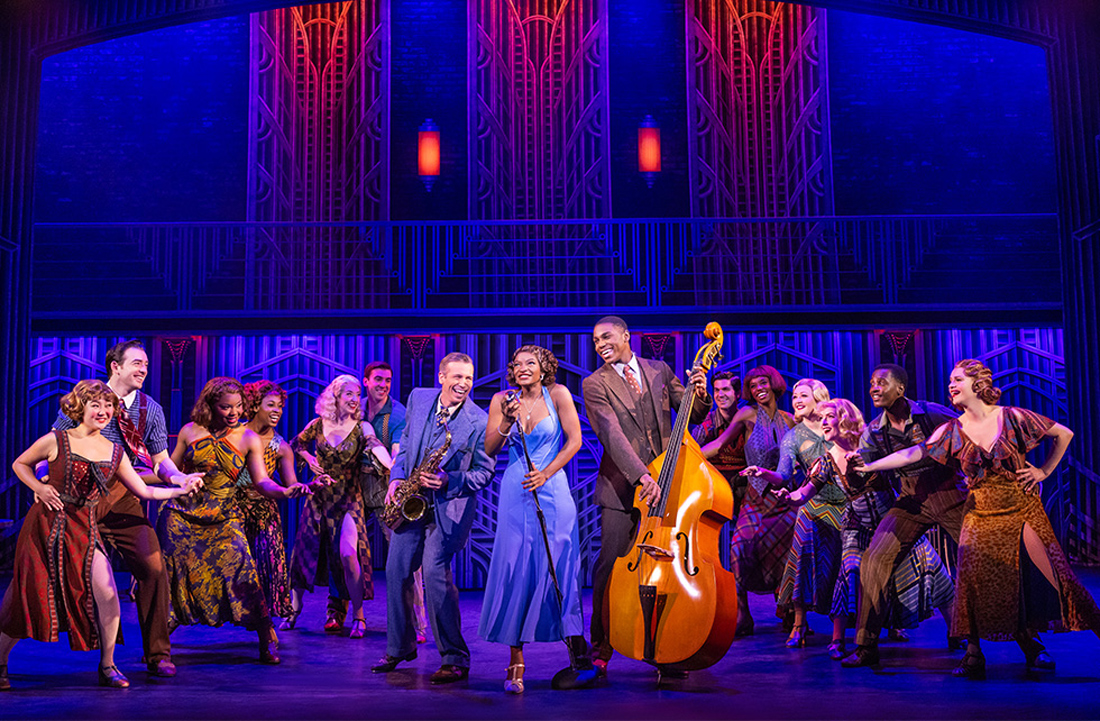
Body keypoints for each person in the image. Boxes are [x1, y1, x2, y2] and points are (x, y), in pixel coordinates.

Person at [852, 359, 1100, 678]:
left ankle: (1031, 644)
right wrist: (866, 467)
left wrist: (1042, 471)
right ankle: (874, 646)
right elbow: (912, 454)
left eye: (958, 380)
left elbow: (1058, 433)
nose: (951, 386)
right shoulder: (887, 430)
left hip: (973, 499)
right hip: (934, 503)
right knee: (891, 563)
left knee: (1018, 571)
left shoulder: (943, 414)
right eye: (950, 381)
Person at [0, 380, 201, 690]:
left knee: (107, 591)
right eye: (96, 405)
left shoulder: (114, 451)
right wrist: (39, 486)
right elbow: (20, 464)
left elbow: (144, 490)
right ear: (80, 408)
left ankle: (107, 665)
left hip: (83, 526)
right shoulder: (56, 439)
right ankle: (0, 661)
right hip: (47, 527)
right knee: (27, 596)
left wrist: (179, 488)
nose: (104, 411)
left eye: (108, 406)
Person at [43, 339, 202, 678]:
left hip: (123, 494)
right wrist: (43, 479)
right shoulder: (86, 400)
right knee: (61, 578)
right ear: (115, 366)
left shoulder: (150, 409)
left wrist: (179, 478)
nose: (144, 369)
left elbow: (160, 461)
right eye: (137, 363)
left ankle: (158, 654)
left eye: (146, 364)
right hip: (80, 496)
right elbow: (54, 444)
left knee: (153, 567)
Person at [582, 316, 710, 676]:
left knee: (665, 565)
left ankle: (665, 648)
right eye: (595, 341)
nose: (600, 345)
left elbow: (691, 414)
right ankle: (601, 647)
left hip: (669, 482)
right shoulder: (594, 383)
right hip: (622, 488)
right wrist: (641, 476)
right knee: (611, 565)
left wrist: (701, 394)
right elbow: (610, 433)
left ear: (626, 335)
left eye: (606, 337)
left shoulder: (659, 370)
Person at [779, 399, 954, 660]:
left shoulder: (872, 447)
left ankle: (956, 632)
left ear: (845, 419)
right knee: (850, 569)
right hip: (856, 523)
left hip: (891, 518)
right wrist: (789, 496)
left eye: (829, 417)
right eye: (822, 418)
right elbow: (804, 493)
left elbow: (905, 464)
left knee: (929, 563)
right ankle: (838, 640)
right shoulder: (825, 461)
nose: (823, 422)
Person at [162, 377, 308, 664]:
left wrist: (284, 491)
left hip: (224, 516)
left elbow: (262, 481)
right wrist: (132, 476)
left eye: (239, 406)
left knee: (243, 572)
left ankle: (266, 633)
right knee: (176, 576)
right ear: (210, 405)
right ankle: (160, 639)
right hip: (184, 515)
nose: (234, 412)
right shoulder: (189, 431)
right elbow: (169, 471)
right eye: (226, 407)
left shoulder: (247, 437)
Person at [372, 352, 494, 684]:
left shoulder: (479, 421)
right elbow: (406, 442)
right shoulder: (419, 398)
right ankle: (399, 647)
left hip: (448, 508)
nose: (464, 384)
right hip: (411, 501)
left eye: (468, 378)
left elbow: (484, 473)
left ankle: (454, 657)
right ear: (442, 377)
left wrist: (448, 480)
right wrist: (397, 477)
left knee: (434, 573)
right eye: (457, 377)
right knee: (396, 570)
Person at [479, 345, 589, 693]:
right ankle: (516, 660)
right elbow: (490, 448)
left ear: (544, 368)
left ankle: (577, 654)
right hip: (516, 491)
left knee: (559, 567)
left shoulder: (558, 394)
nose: (523, 368)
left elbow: (575, 441)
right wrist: (507, 420)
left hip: (552, 488)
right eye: (517, 364)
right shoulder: (501, 400)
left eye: (531, 362)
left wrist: (546, 473)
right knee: (515, 569)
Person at [841, 363, 967, 668]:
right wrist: (853, 468)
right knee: (874, 559)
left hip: (950, 493)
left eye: (881, 382)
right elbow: (864, 477)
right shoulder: (874, 430)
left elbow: (970, 435)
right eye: (871, 383)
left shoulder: (931, 414)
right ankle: (866, 646)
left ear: (900, 388)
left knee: (978, 558)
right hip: (911, 499)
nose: (874, 388)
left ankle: (1024, 643)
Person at [325, 362, 428, 642]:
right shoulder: (353, 406)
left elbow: (397, 453)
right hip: (354, 487)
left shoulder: (397, 414)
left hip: (385, 487)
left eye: (388, 380)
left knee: (404, 554)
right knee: (343, 549)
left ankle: (417, 622)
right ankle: (337, 610)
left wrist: (394, 473)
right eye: (378, 379)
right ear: (366, 381)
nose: (383, 384)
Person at [285, 374, 392, 638]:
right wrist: (308, 457)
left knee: (348, 554)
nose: (355, 399)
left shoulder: (362, 427)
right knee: (303, 554)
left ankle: (358, 615)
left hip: (349, 499)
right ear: (336, 397)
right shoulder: (318, 424)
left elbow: (375, 445)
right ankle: (294, 610)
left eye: (357, 394)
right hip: (319, 498)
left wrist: (392, 466)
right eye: (349, 394)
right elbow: (296, 443)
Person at [748, 379, 845, 648]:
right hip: (812, 501)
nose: (797, 401)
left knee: (846, 566)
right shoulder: (793, 436)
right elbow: (783, 475)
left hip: (846, 504)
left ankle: (843, 632)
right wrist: (763, 473)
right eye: (794, 397)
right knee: (802, 549)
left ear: (819, 398)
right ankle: (799, 623)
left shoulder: (837, 425)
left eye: (803, 395)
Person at [706, 365, 796, 637]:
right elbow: (719, 444)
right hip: (755, 497)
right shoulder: (747, 414)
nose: (758, 389)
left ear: (774, 384)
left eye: (763, 383)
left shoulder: (791, 420)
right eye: (753, 386)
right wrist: (685, 455)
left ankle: (788, 611)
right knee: (739, 547)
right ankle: (742, 614)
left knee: (786, 554)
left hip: (784, 497)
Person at [237, 380, 297, 625]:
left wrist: (307, 487)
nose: (277, 410)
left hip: (264, 512)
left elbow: (290, 485)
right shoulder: (235, 435)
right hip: (233, 511)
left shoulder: (281, 447)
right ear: (254, 406)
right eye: (271, 405)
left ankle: (265, 625)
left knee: (267, 567)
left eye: (280, 406)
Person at [691, 371, 748, 517]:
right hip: (714, 489)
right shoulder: (705, 426)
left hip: (744, 488)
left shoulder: (748, 422)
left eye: (725, 389)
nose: (720, 395)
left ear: (738, 394)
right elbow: (691, 458)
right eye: (716, 390)